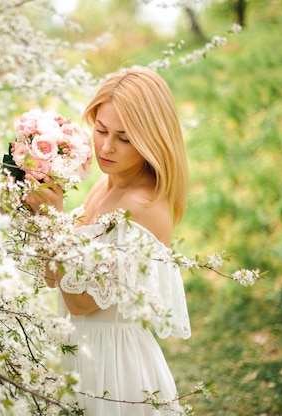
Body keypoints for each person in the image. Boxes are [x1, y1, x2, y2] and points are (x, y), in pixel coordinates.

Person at [24, 66, 192, 415]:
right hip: (83, 355)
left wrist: (55, 218)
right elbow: (53, 276)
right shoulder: (105, 185)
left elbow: (83, 302)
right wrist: (41, 213)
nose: (106, 146)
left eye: (124, 138)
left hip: (117, 369)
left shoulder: (141, 205)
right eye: (101, 130)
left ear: (151, 139)